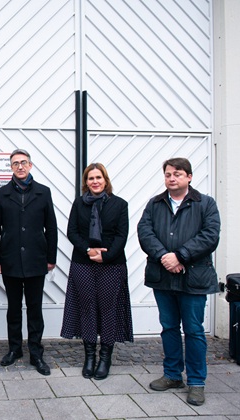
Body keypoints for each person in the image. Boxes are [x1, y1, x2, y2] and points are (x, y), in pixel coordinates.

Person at [137, 157, 220, 406]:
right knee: (169, 328)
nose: (172, 178)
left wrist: (181, 255)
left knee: (194, 331)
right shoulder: (155, 204)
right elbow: (145, 232)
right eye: (168, 174)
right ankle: (173, 375)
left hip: (193, 279)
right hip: (162, 278)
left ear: (189, 177)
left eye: (178, 174)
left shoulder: (205, 204)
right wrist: (164, 256)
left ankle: (196, 382)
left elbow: (210, 235)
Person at [60, 163, 133, 380]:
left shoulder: (120, 205)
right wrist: (88, 250)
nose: (95, 181)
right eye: (91, 178)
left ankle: (105, 358)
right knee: (87, 308)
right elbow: (71, 231)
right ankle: (89, 357)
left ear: (105, 179)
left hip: (112, 265)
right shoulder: (79, 204)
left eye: (98, 177)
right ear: (86, 182)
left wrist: (105, 255)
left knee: (108, 309)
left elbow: (122, 235)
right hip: (83, 263)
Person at [0, 149, 58, 375]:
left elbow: (52, 228)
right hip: (10, 261)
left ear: (30, 165)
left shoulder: (43, 192)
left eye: (23, 162)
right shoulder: (3, 194)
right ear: (10, 167)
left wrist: (51, 258)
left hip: (37, 260)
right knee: (14, 308)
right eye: (15, 163)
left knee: (35, 309)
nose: (20, 166)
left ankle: (36, 353)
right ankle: (14, 349)